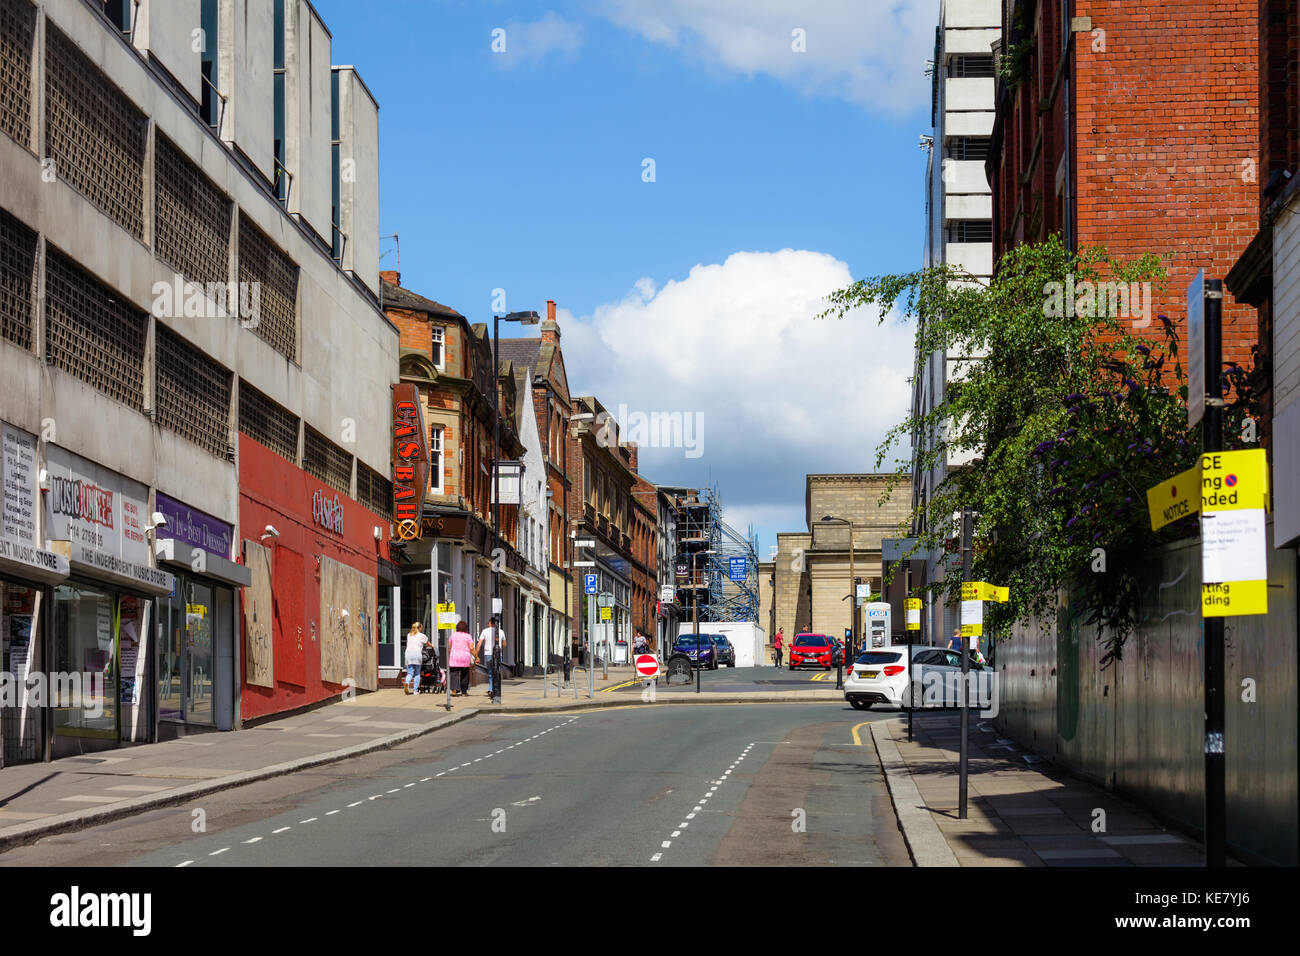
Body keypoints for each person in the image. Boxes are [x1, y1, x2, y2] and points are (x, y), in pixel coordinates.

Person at [477, 616, 503, 701]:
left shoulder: (485, 631)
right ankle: (495, 690)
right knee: (497, 672)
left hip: (488, 653)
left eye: (488, 623)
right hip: (498, 654)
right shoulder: (501, 631)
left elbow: (479, 644)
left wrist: (476, 655)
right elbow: (505, 644)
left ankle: (491, 689)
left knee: (490, 673)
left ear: (490, 623)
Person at [447, 620, 475, 697]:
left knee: (454, 674)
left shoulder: (453, 635)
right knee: (465, 675)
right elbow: (471, 648)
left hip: (454, 657)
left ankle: (454, 690)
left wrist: (451, 653)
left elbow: (449, 646)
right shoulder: (468, 636)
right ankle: (464, 692)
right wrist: (476, 656)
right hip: (465, 658)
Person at [403, 622, 430, 695]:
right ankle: (415, 690)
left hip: (408, 654)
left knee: (410, 673)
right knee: (417, 673)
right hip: (417, 654)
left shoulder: (409, 635)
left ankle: (407, 683)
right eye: (421, 627)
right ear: (419, 628)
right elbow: (427, 643)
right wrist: (432, 646)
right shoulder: (422, 635)